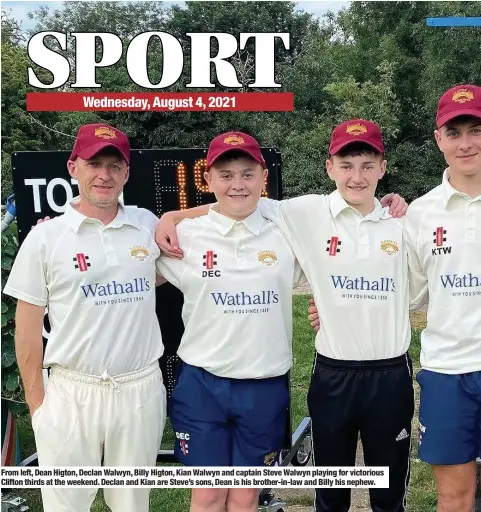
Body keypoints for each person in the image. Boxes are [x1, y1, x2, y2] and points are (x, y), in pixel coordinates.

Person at [311, 85, 481, 512]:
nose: (465, 143)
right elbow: (405, 293)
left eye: (475, 129)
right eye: (453, 132)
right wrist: (332, 309)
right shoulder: (419, 214)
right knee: (453, 497)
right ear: (438, 138)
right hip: (446, 371)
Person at [155, 120, 412, 512]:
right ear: (329, 167)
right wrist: (170, 217)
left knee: (246, 497)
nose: (356, 175)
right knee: (209, 494)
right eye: (346, 164)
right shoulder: (302, 212)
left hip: (323, 377)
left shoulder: (397, 222)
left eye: (366, 164)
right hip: (223, 381)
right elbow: (227, 206)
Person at [3, 123, 166, 512]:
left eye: (114, 165)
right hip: (71, 391)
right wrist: (39, 407)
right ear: (74, 167)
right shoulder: (46, 238)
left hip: (140, 387)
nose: (104, 175)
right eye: (94, 163)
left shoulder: (147, 225)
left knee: (131, 504)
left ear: (127, 173)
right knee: (67, 505)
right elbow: (26, 331)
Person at [154, 131, 306, 512]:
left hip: (264, 383)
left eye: (247, 174)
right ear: (208, 179)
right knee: (207, 495)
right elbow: (124, 263)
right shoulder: (184, 235)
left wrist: (392, 204)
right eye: (226, 174)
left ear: (263, 178)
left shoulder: (287, 228)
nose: (237, 184)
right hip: (203, 383)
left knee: (244, 497)